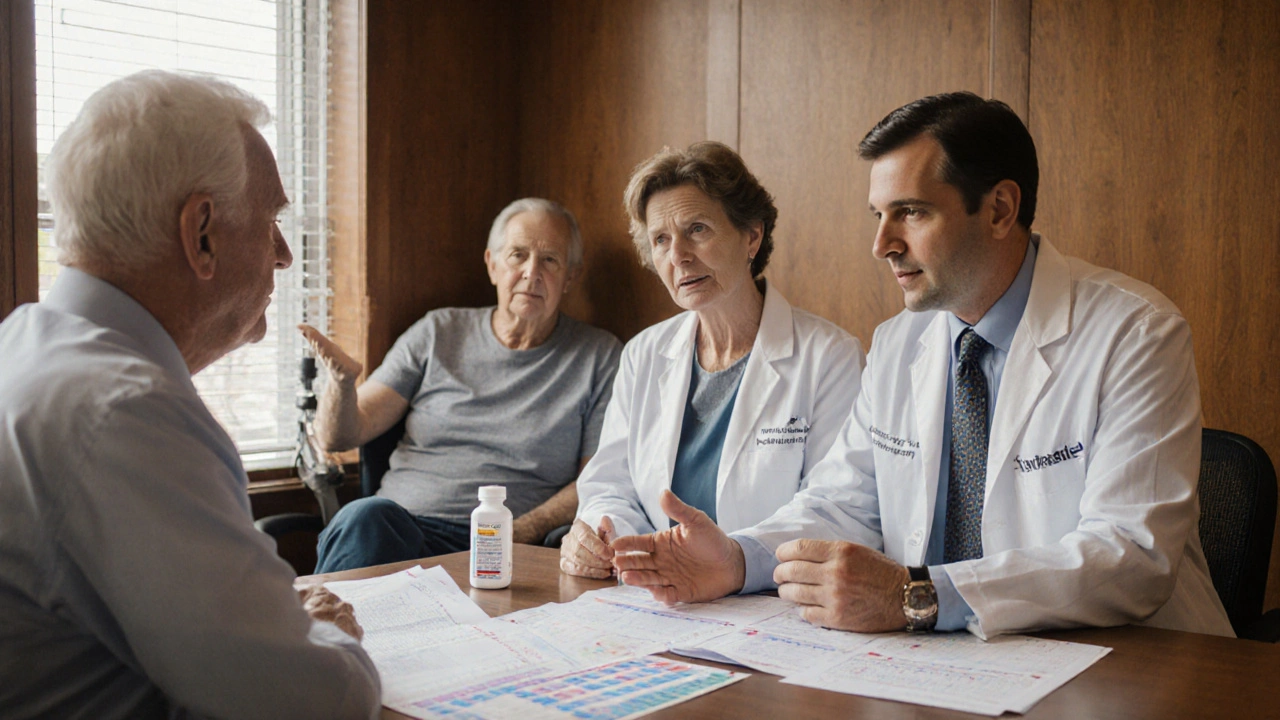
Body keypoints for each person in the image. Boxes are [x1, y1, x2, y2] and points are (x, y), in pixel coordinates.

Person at [612, 93, 1234, 640]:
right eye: (878, 216)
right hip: (945, 664)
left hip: (1130, 663)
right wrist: (737, 559)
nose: (881, 244)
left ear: (999, 210)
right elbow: (841, 504)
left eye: (910, 212)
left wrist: (921, 594)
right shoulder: (899, 344)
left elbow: (1131, 555)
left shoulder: (1135, 332)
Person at [0, 71, 380, 718]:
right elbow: (321, 701)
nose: (285, 256)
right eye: (270, 223)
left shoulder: (23, 344)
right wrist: (324, 640)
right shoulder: (126, 412)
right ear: (201, 232)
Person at [561, 141, 865, 579]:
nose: (678, 255)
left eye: (697, 229)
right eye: (661, 240)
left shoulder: (830, 357)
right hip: (654, 594)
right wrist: (606, 536)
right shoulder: (644, 354)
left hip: (772, 600)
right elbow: (611, 484)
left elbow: (834, 508)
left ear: (752, 236)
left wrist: (732, 560)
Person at [308, 198, 622, 573]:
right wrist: (342, 384)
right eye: (517, 255)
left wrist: (518, 531)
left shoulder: (600, 357)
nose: (531, 273)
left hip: (515, 543)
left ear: (570, 277)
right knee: (364, 518)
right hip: (403, 529)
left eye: (550, 260)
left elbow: (596, 478)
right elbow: (337, 437)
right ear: (492, 264)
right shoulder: (437, 332)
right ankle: (318, 632)